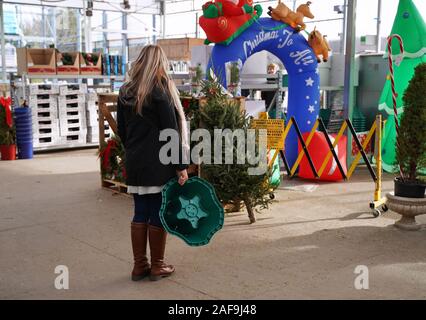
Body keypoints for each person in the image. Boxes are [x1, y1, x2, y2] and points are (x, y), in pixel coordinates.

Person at [117, 45, 190, 282]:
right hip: (159, 162)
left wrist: (134, 151)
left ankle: (140, 266)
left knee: (140, 211)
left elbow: (122, 131)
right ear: (159, 64)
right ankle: (157, 265)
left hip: (136, 161)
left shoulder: (125, 91)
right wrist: (181, 166)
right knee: (158, 210)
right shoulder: (160, 91)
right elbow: (171, 132)